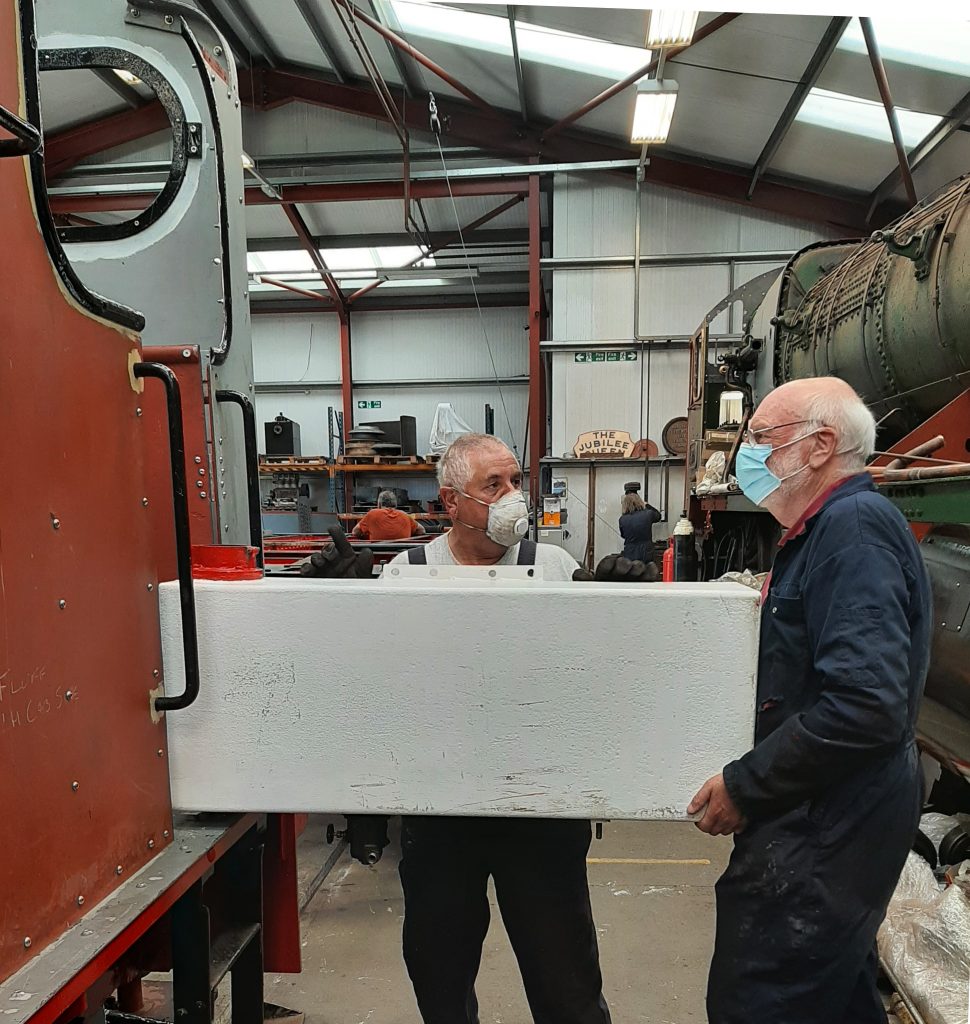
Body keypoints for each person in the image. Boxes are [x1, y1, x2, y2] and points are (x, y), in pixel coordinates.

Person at [688, 377, 931, 1024]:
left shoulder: (851, 531)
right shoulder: (830, 530)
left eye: (762, 439)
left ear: (821, 445)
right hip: (830, 807)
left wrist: (746, 784)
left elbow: (863, 704)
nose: (749, 455)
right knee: (836, 995)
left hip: (826, 821)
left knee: (763, 998)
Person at [385, 433, 613, 1024]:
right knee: (441, 979)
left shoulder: (553, 568)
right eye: (494, 486)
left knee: (567, 983)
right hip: (441, 815)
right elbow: (378, 692)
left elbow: (595, 685)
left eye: (516, 481)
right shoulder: (405, 576)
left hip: (538, 812)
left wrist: (619, 607)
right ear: (451, 502)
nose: (514, 497)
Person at [351, 489, 425, 542]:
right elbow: (422, 530)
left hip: (377, 555)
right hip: (400, 556)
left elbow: (355, 532)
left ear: (379, 504)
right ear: (395, 504)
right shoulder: (405, 515)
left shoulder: (372, 514)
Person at [617, 482, 661, 565]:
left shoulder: (622, 519)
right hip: (646, 552)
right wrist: (647, 505)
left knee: (632, 574)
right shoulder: (648, 514)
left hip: (630, 553)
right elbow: (658, 516)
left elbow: (623, 535)